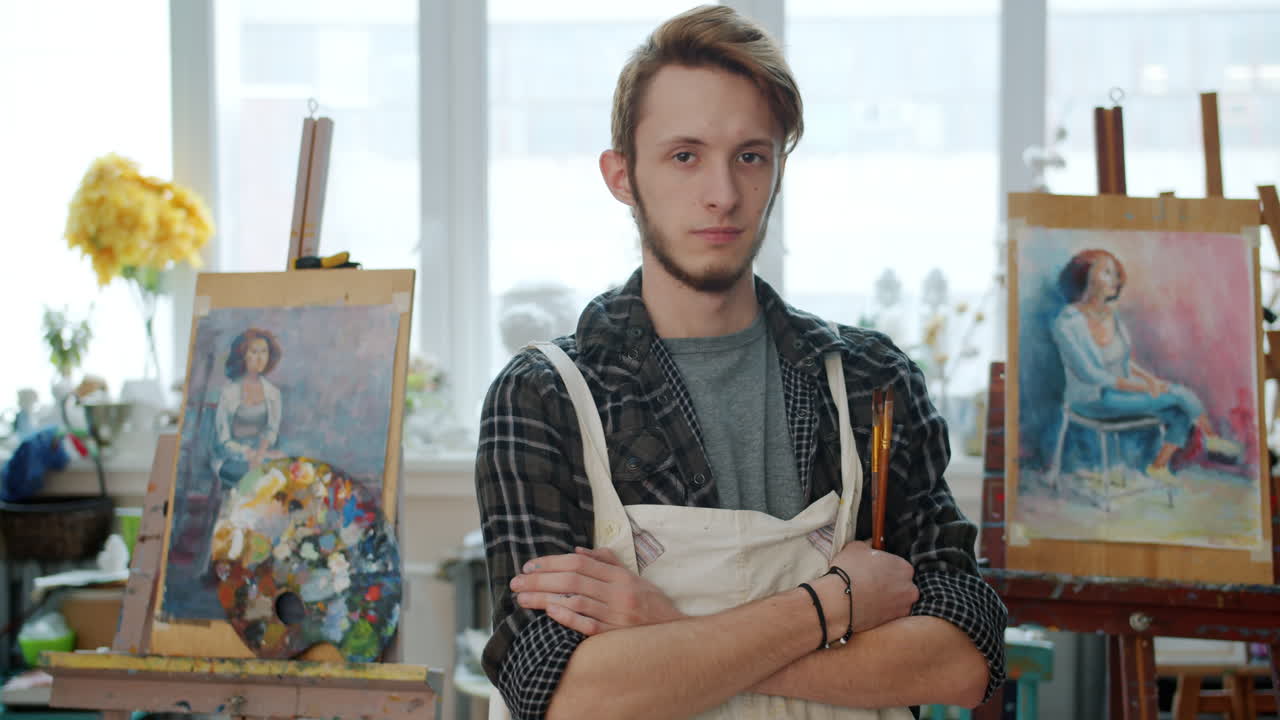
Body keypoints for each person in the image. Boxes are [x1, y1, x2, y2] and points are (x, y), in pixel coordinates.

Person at [474, 7, 1007, 719]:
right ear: (622, 175)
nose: (722, 193)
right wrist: (834, 604)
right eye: (685, 155)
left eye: (750, 155)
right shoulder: (545, 397)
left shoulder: (871, 383)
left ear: (778, 168)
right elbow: (567, 692)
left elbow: (962, 661)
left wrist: (672, 635)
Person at [1051, 249, 1241, 486]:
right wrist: (1139, 388)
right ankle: (1210, 437)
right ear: (1086, 276)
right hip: (1091, 400)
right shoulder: (1067, 323)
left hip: (1119, 392)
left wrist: (1149, 380)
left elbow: (1121, 361)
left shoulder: (1111, 316)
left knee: (1177, 411)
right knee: (1178, 395)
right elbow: (1091, 374)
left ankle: (1158, 466)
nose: (1116, 280)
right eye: (1107, 272)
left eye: (1116, 273)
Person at [212, 328, 285, 486]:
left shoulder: (273, 393)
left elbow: (271, 430)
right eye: (254, 352)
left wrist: (259, 455)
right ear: (243, 355)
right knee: (255, 479)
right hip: (233, 458)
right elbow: (223, 441)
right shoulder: (229, 393)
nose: (260, 358)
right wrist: (249, 455)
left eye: (264, 352)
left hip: (262, 455)